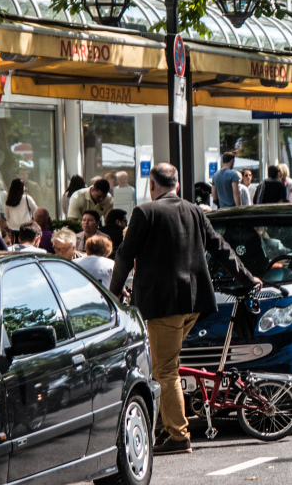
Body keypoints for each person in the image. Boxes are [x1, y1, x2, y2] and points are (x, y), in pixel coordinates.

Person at [110, 162, 259, 454]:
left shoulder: (145, 212)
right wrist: (247, 277)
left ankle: (179, 436)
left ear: (152, 185)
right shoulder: (193, 210)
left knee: (165, 370)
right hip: (193, 302)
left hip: (162, 304)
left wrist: (113, 294)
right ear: (176, 185)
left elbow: (125, 256)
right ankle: (170, 428)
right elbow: (220, 247)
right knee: (169, 365)